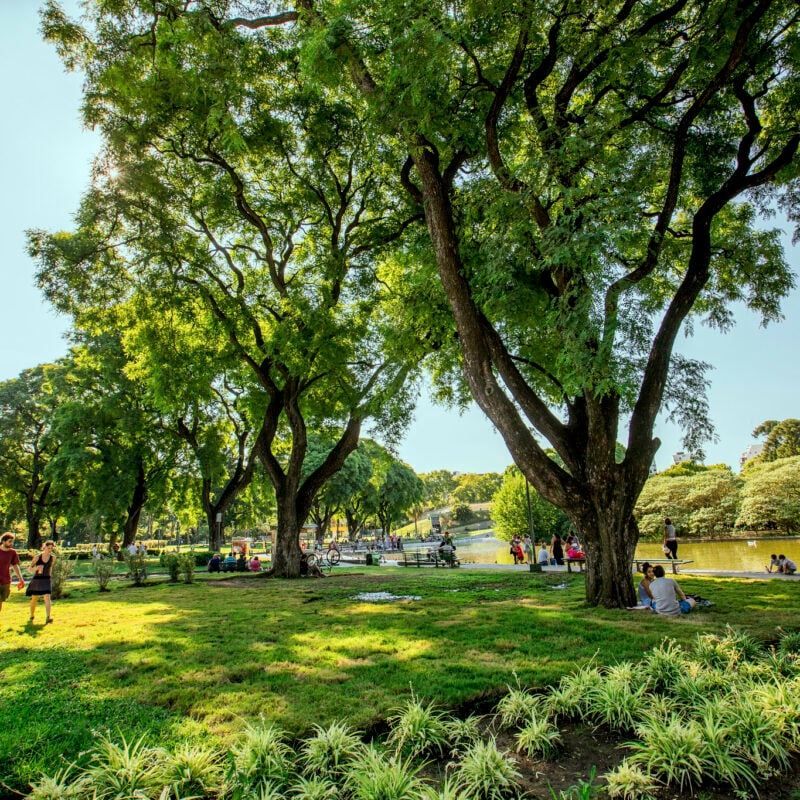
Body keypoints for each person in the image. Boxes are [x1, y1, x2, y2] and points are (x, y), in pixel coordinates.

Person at [27, 540, 56, 624]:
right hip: (37, 579)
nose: (49, 550)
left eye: (51, 548)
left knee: (47, 597)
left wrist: (50, 577)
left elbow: (50, 568)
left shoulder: (53, 558)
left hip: (46, 579)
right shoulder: (37, 557)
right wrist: (36, 568)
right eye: (48, 548)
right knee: (34, 598)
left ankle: (48, 617)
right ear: (44, 547)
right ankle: (32, 615)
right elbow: (30, 569)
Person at [0, 533, 25, 615]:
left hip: (5, 581)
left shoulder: (12, 552)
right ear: (3, 541)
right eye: (9, 541)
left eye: (12, 542)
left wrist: (20, 579)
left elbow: (15, 565)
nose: (11, 543)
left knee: (0, 601)